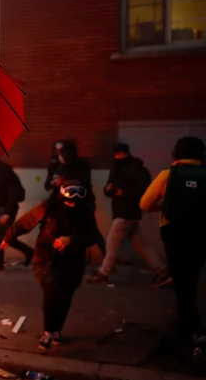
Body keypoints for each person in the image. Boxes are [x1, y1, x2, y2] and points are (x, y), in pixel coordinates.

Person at [1, 180, 98, 350]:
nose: (72, 204)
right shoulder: (48, 207)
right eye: (69, 199)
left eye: (76, 200)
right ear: (61, 196)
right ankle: (48, 331)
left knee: (65, 296)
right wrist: (9, 237)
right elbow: (26, 221)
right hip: (47, 259)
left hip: (73, 261)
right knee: (51, 294)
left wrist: (71, 240)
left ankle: (57, 330)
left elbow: (92, 235)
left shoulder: (85, 211)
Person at [140, 136, 206, 351]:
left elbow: (145, 203)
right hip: (200, 232)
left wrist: (168, 205)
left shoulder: (169, 174)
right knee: (192, 275)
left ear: (175, 154)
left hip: (173, 231)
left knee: (180, 277)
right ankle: (189, 316)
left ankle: (185, 322)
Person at [87, 143, 170, 286]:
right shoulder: (116, 169)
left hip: (127, 212)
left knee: (112, 243)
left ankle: (103, 273)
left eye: (122, 154)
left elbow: (144, 191)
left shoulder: (138, 170)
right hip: (121, 211)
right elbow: (108, 189)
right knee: (140, 245)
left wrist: (123, 193)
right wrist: (109, 190)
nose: (119, 157)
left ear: (127, 153)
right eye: (117, 154)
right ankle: (162, 271)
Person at [51, 141, 107, 257]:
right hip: (69, 204)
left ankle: (108, 259)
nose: (59, 156)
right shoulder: (60, 166)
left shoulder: (80, 165)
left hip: (83, 203)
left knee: (91, 231)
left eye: (61, 153)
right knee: (73, 231)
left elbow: (82, 183)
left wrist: (65, 181)